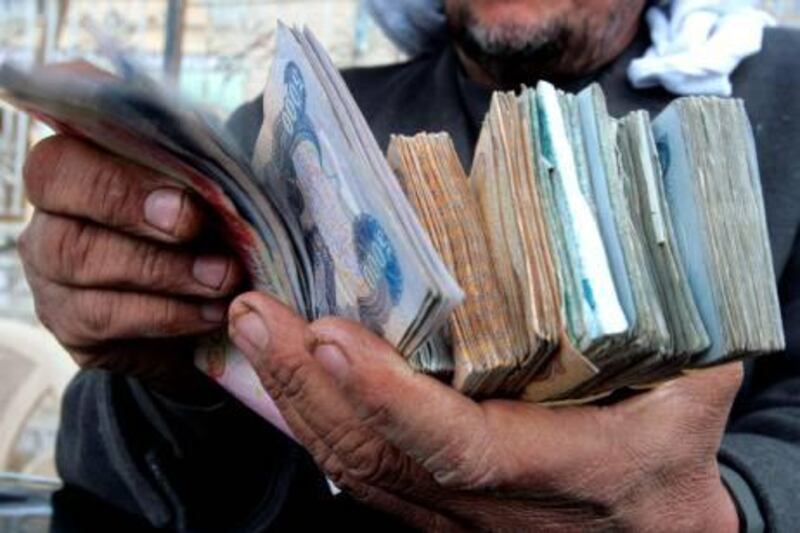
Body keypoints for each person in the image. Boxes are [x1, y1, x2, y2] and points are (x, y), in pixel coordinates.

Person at [17, 0, 800, 530]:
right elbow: (130, 493)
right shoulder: (294, 126)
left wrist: (723, 510)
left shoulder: (784, 95)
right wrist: (177, 375)